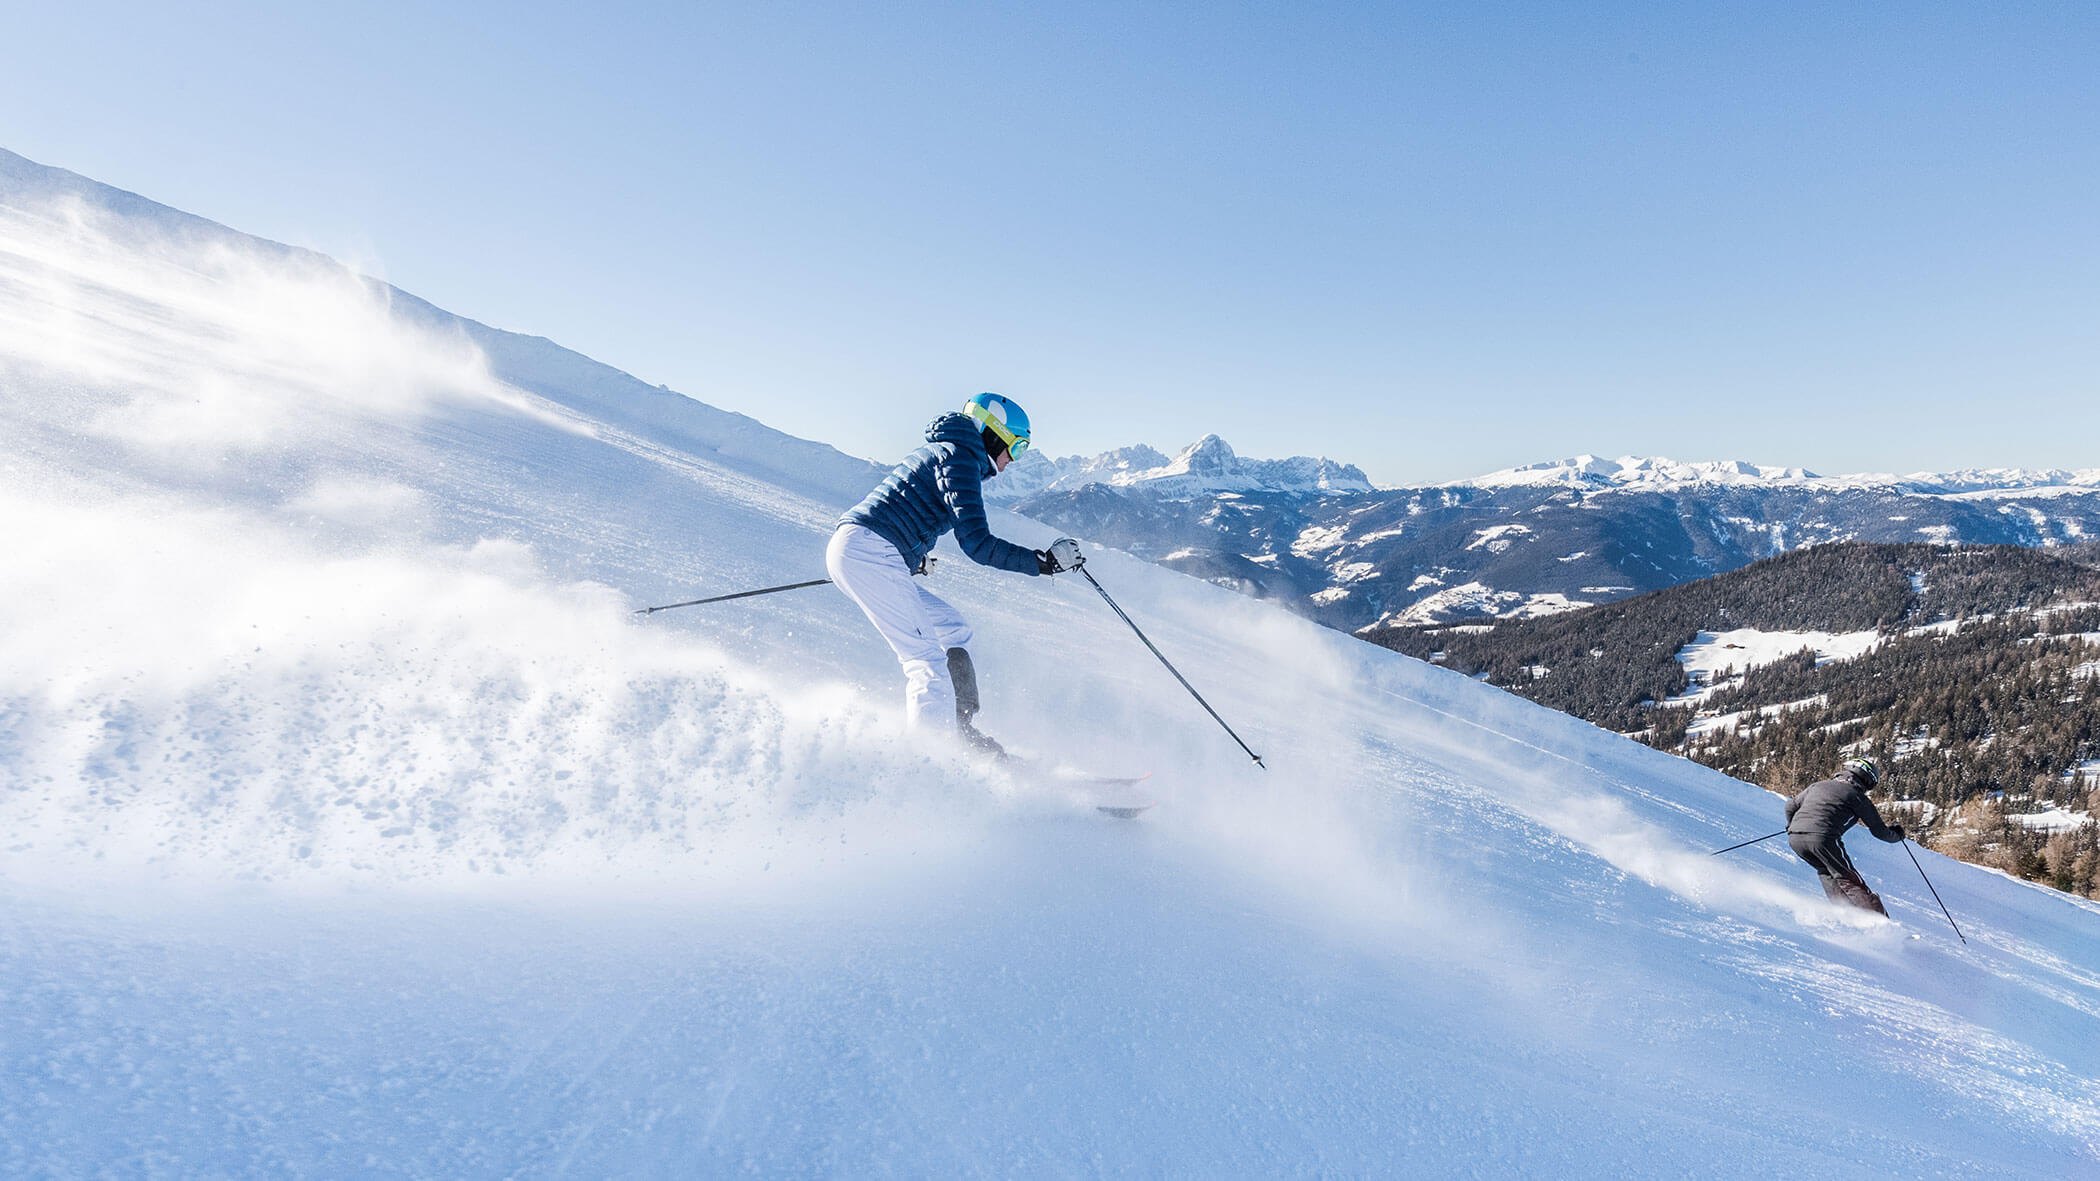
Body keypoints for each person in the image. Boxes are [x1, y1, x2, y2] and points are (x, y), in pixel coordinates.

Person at [827, 393, 1082, 755]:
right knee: (925, 663)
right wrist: (1043, 563)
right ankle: (929, 765)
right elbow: (977, 543)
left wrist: (912, 559)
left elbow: (905, 509)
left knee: (952, 627)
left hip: (868, 550)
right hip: (869, 552)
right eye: (1016, 447)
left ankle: (958, 725)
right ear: (992, 434)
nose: (1012, 460)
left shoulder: (951, 452)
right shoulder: (960, 457)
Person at [1785, 757, 1907, 914]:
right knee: (1848, 878)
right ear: (1868, 780)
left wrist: (1792, 825)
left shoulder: (1818, 786)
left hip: (1795, 839)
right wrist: (1898, 835)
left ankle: (1846, 913)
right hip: (1824, 838)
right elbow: (1879, 831)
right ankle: (1877, 919)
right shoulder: (1857, 796)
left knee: (1826, 871)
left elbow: (1790, 806)